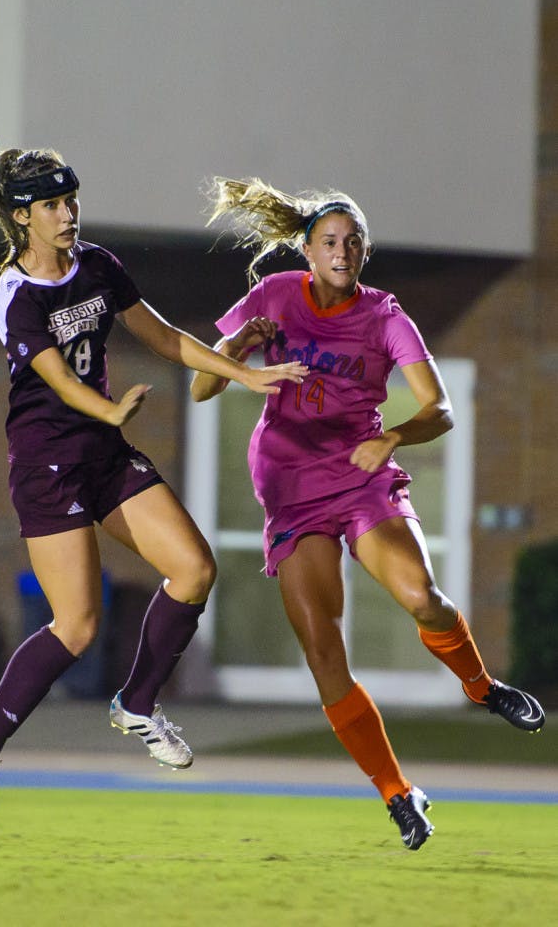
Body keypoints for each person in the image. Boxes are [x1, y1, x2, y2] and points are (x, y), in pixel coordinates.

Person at [0, 151, 307, 829]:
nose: (69, 212)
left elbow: (164, 338)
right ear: (21, 217)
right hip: (48, 464)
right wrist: (108, 410)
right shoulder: (17, 293)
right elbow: (56, 378)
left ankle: (137, 704)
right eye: (53, 205)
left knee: (194, 569)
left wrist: (246, 375)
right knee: (77, 626)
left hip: (104, 453)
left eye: (72, 199)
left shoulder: (100, 264)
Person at [191, 177, 546, 851]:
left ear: (364, 251)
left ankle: (479, 686)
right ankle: (396, 793)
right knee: (324, 651)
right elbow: (205, 385)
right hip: (289, 491)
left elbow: (438, 406)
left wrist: (393, 436)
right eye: (329, 241)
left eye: (352, 242)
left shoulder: (384, 316)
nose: (342, 251)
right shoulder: (270, 298)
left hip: (361, 477)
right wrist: (240, 347)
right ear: (306, 249)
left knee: (422, 596)